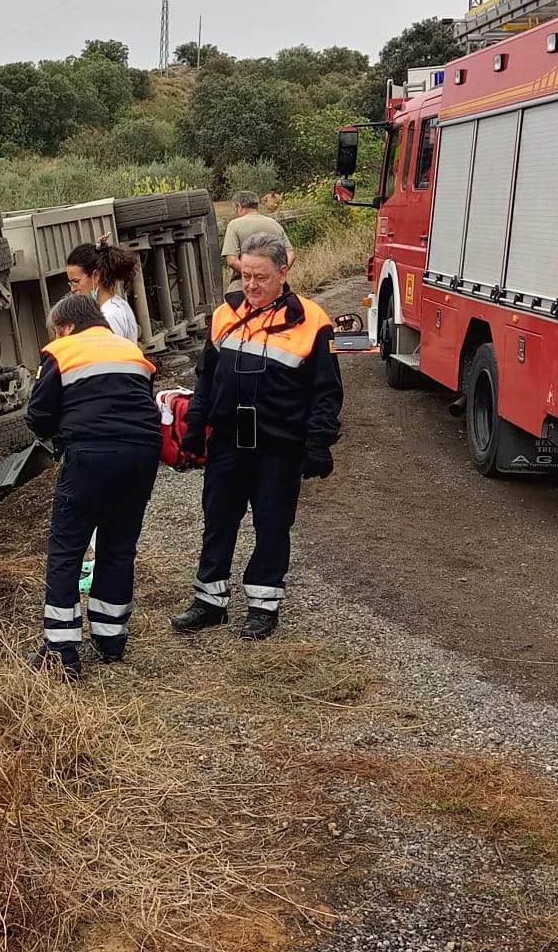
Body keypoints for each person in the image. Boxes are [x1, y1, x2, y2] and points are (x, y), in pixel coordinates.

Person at [173, 231, 343, 640]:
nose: (251, 285)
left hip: (279, 447)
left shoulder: (312, 321)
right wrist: (195, 425)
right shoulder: (225, 314)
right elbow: (205, 378)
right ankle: (209, 602)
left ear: (283, 272)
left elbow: (327, 392)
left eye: (260, 277)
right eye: (245, 275)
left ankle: (263, 606)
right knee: (218, 521)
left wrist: (318, 443)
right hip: (228, 442)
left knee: (272, 525)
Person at [25, 293, 161, 676]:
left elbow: (38, 415)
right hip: (141, 454)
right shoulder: (132, 351)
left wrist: (63, 431)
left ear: (66, 326)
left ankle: (61, 651)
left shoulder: (61, 351)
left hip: (90, 454)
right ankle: (111, 639)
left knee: (67, 548)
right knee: (118, 545)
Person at [65, 240, 141, 342]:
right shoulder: (117, 304)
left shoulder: (109, 316)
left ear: (96, 275)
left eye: (76, 282)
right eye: (71, 283)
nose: (72, 289)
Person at [220, 191, 285, 283]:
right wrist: (275, 276)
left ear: (239, 206)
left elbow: (232, 260)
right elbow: (291, 254)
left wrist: (253, 276)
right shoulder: (274, 224)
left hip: (243, 283)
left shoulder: (234, 225)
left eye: (235, 208)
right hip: (273, 283)